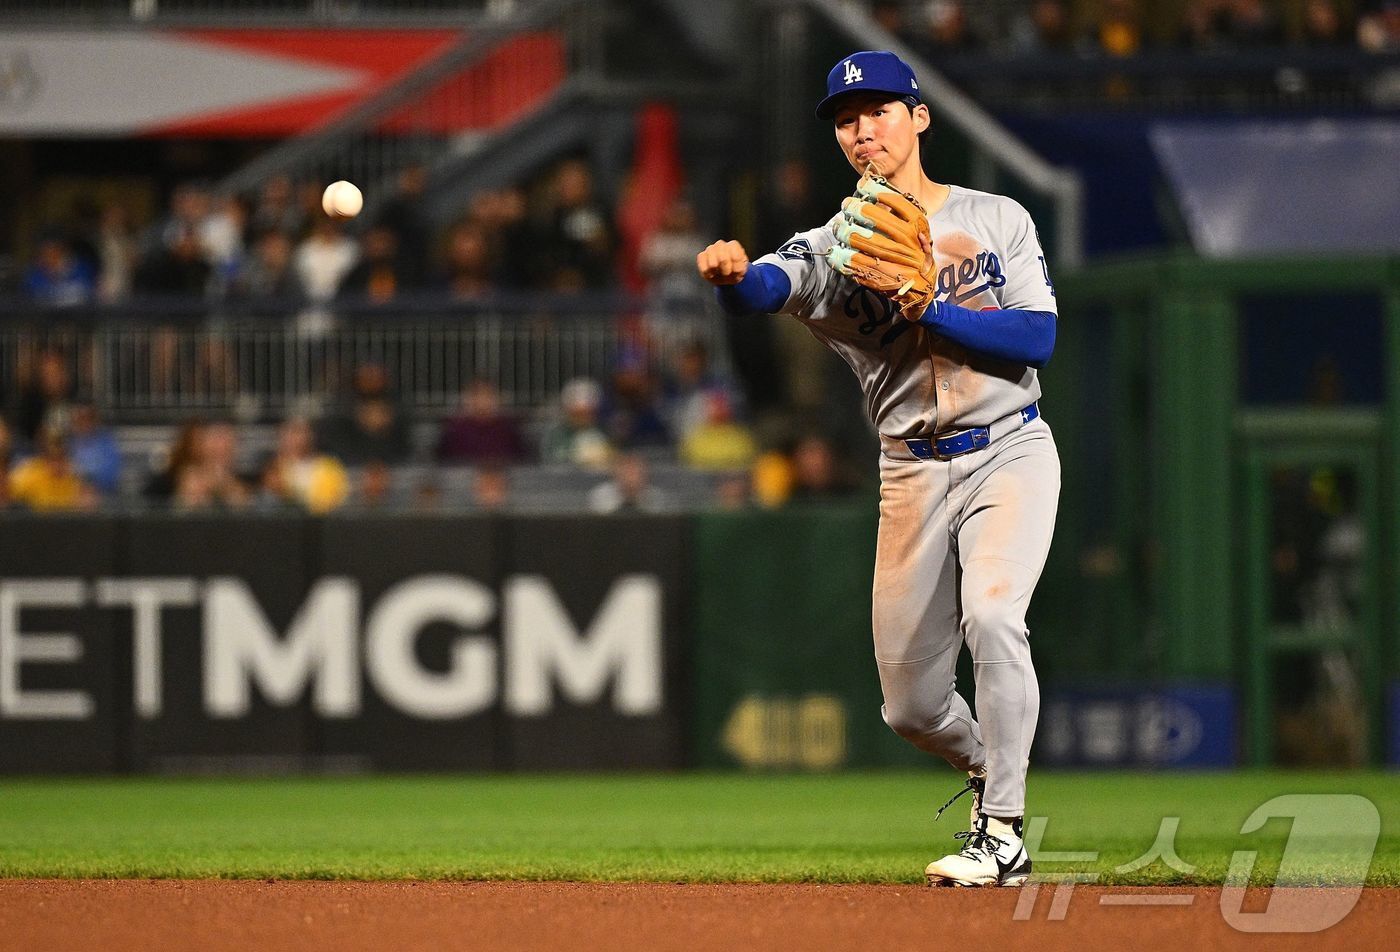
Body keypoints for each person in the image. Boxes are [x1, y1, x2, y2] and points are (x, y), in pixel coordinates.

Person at [696, 50, 1060, 887]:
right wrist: (729, 280)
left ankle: (1002, 831)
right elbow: (768, 285)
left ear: (919, 117)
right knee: (911, 707)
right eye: (847, 120)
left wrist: (930, 306)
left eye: (881, 110)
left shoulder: (996, 217)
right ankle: (988, 774)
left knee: (997, 617)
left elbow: (1037, 340)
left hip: (1009, 447)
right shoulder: (831, 248)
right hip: (911, 472)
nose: (865, 130)